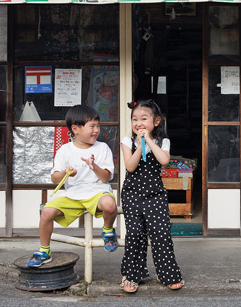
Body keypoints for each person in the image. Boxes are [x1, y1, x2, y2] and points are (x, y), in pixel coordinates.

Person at [26, 104, 118, 267]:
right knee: (47, 212)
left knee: (110, 205)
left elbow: (105, 178)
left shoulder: (103, 148)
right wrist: (65, 173)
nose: (96, 130)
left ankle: (108, 230)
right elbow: (55, 178)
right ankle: (44, 250)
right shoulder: (65, 150)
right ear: (75, 129)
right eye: (92, 126)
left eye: (98, 125)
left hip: (98, 192)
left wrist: (94, 166)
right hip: (73, 194)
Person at [119, 100, 184, 293]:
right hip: (132, 194)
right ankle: (131, 276)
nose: (138, 123)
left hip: (155, 194)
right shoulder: (126, 141)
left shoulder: (163, 142)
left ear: (156, 122)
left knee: (161, 234)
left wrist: (148, 140)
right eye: (134, 119)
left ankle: (168, 275)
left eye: (143, 119)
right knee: (135, 235)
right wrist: (140, 144)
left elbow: (164, 160)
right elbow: (130, 166)